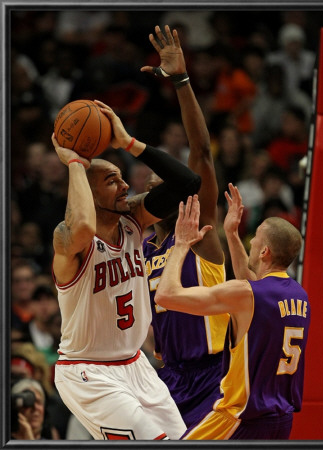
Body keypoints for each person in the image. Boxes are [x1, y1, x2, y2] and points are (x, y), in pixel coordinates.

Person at [51, 26, 202, 439]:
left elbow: (188, 182)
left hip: (135, 365)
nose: (125, 186)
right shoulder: (69, 239)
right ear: (89, 189)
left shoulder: (133, 220)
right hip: (88, 373)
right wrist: (77, 164)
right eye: (113, 181)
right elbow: (82, 223)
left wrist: (129, 142)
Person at [155, 188, 310, 440]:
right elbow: (251, 284)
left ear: (264, 252)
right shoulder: (298, 294)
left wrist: (181, 245)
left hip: (239, 417)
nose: (252, 241)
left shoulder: (245, 294)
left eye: (257, 237)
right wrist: (231, 233)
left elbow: (166, 296)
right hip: (280, 419)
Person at [141, 25, 228, 428]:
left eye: (169, 182)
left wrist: (181, 81)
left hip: (214, 376)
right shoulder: (142, 251)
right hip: (168, 377)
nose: (158, 184)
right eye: (154, 183)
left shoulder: (202, 234)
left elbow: (202, 152)